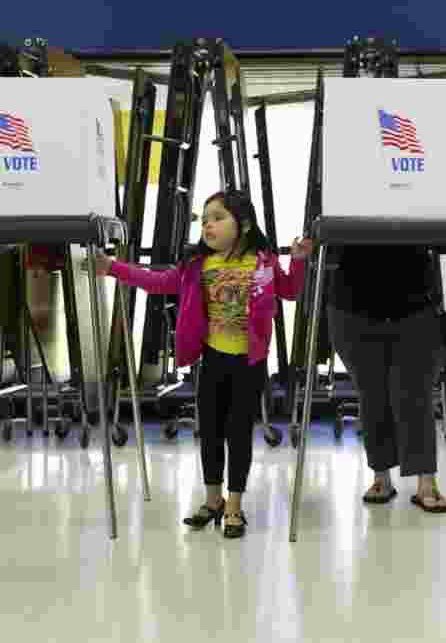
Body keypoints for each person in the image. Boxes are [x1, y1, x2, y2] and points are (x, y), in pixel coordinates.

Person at [96, 190, 312, 538]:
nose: (208, 225)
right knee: (209, 430)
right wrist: (113, 269)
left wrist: (299, 260)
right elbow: (157, 281)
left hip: (249, 364)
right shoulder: (198, 265)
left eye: (217, 217)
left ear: (242, 224)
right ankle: (213, 499)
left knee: (238, 433)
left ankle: (235, 505)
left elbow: (290, 290)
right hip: (211, 361)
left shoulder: (263, 260)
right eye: (205, 218)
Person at [327, 243, 446, 513]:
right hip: (353, 301)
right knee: (372, 394)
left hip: (416, 297)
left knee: (415, 394)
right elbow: (319, 221)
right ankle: (381, 476)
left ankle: (426, 482)